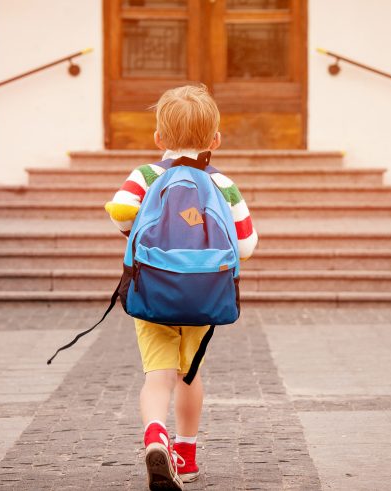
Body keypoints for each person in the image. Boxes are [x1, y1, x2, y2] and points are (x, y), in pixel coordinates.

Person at [104, 84, 258, 490]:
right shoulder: (222, 183)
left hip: (152, 291)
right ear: (215, 140)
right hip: (203, 295)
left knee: (157, 376)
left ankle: (156, 435)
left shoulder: (146, 175)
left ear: (158, 138)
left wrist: (141, 235)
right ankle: (186, 456)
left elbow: (120, 211)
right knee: (189, 375)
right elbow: (245, 244)